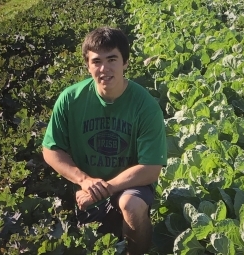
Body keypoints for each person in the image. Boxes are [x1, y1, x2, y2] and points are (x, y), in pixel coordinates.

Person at [42, 26, 167, 255]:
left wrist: (104, 189)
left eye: (112, 59)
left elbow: (151, 169)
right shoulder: (70, 99)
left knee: (131, 205)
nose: (104, 68)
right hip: (88, 187)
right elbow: (51, 150)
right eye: (96, 61)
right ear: (87, 65)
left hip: (131, 185)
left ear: (125, 62)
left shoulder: (145, 106)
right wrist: (85, 180)